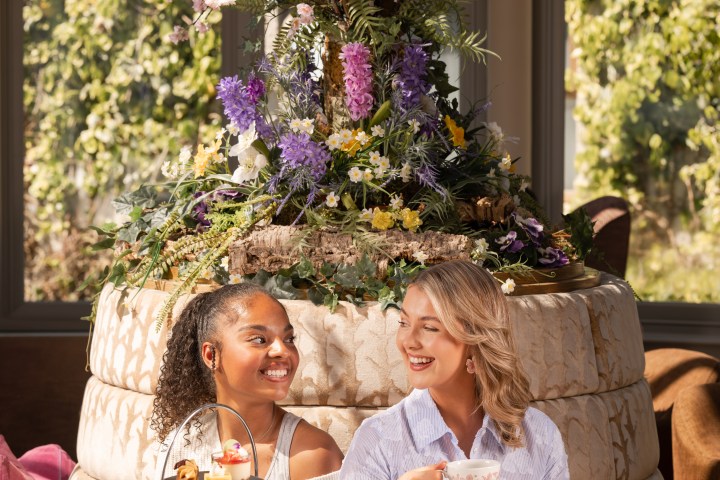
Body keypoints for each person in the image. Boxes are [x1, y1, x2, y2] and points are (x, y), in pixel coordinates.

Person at [339, 260, 569, 479]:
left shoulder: (538, 435)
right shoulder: (378, 440)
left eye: (429, 327)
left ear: (474, 341)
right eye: (404, 323)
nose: (408, 341)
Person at [151, 283, 343, 479]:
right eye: (259, 339)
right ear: (211, 355)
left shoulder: (313, 455)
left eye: (289, 338)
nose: (283, 351)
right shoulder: (182, 443)